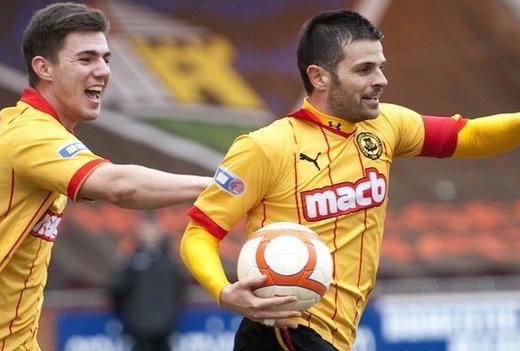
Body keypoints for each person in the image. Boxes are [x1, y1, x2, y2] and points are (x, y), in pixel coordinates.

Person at [180, 9, 520, 351]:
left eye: (380, 66)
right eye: (364, 69)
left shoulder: (386, 125)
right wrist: (224, 293)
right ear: (320, 77)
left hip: (335, 337)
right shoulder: (266, 147)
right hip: (285, 332)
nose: (381, 79)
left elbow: (471, 136)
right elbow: (199, 233)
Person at [0, 3, 210, 351]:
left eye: (106, 59)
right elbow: (120, 186)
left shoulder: (25, 126)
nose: (103, 71)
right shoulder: (30, 135)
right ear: (43, 67)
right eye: (86, 59)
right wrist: (216, 186)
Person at [110, 213, 184, 351]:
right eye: (146, 228)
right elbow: (116, 290)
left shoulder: (170, 261)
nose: (150, 233)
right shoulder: (130, 261)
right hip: (138, 329)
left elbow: (180, 289)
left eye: (153, 228)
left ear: (160, 230)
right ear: (139, 230)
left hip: (165, 327)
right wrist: (121, 266)